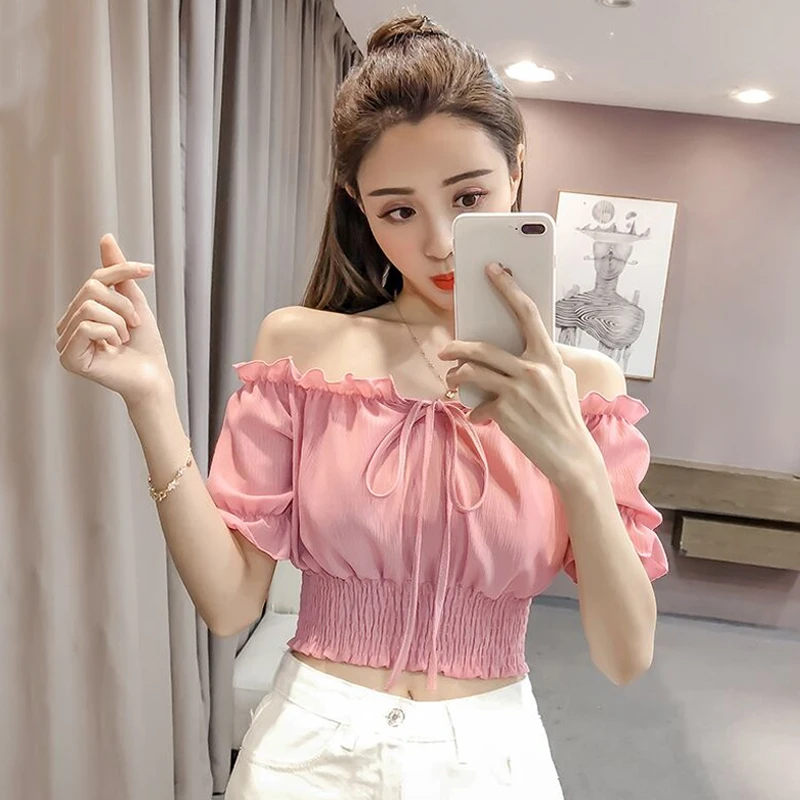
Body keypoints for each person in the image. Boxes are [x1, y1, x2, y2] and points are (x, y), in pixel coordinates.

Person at [55, 13, 669, 799]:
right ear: (358, 202)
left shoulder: (586, 385)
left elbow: (625, 656)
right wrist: (152, 398)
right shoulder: (304, 349)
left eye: (469, 195)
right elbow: (229, 602)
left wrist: (574, 462)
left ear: (516, 169)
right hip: (306, 755)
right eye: (398, 210)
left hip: (491, 761)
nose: (441, 242)